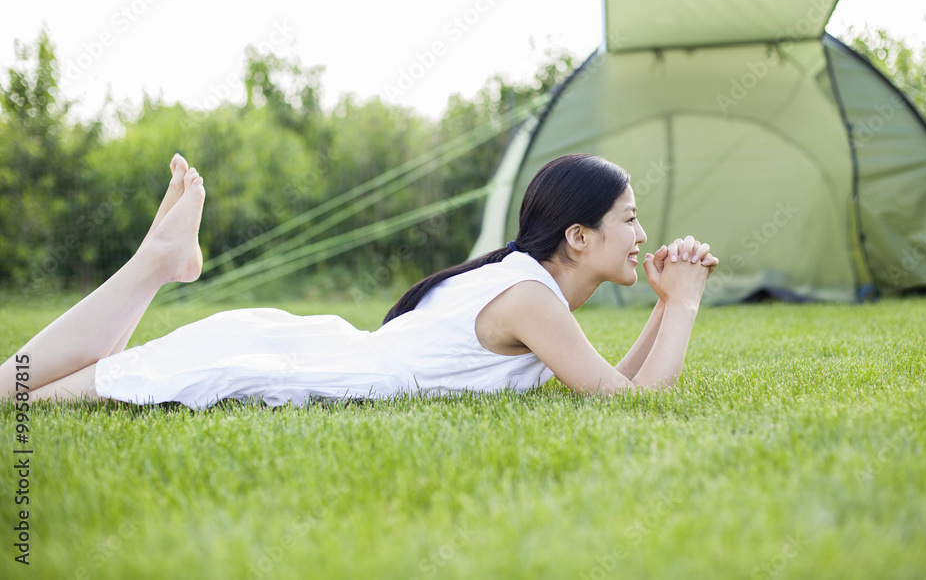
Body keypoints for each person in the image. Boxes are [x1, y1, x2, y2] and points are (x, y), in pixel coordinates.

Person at [0, 153, 718, 408]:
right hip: (303, 367)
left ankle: (157, 265)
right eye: (629, 219)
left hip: (310, 348)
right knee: (21, 402)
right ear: (579, 235)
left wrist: (662, 306)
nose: (643, 234)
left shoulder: (522, 284)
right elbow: (629, 400)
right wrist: (683, 302)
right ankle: (155, 263)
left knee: (25, 392)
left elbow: (605, 381)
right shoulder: (528, 294)